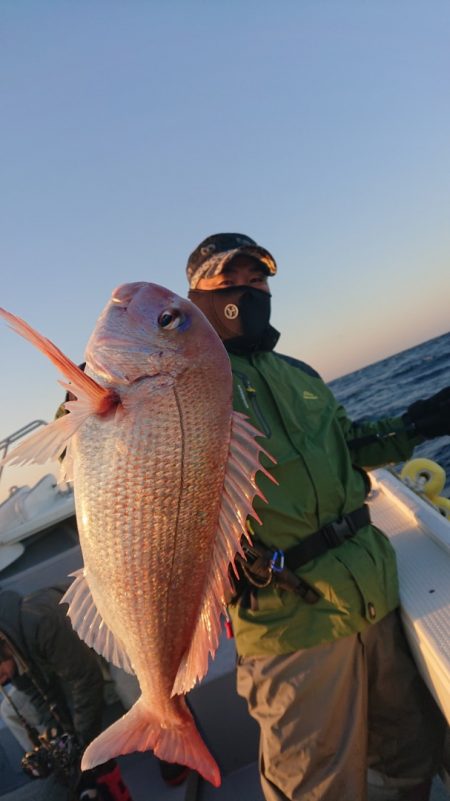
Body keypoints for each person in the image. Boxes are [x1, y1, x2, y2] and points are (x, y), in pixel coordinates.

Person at [185, 232, 449, 801]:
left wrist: (421, 420)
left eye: (257, 280)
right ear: (196, 299)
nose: (247, 291)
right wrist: (97, 389)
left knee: (408, 757)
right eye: (229, 281)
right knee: (314, 787)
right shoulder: (186, 384)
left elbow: (347, 446)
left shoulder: (299, 373)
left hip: (374, 593)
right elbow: (104, 435)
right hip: (289, 623)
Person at [0, 584, 133, 801]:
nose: (2, 681)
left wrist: (82, 747)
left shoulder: (41, 621)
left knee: (130, 687)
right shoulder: (10, 651)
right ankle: (65, 773)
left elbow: (87, 679)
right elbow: (40, 697)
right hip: (71, 660)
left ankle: (168, 744)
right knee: (11, 710)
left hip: (111, 640)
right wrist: (59, 738)